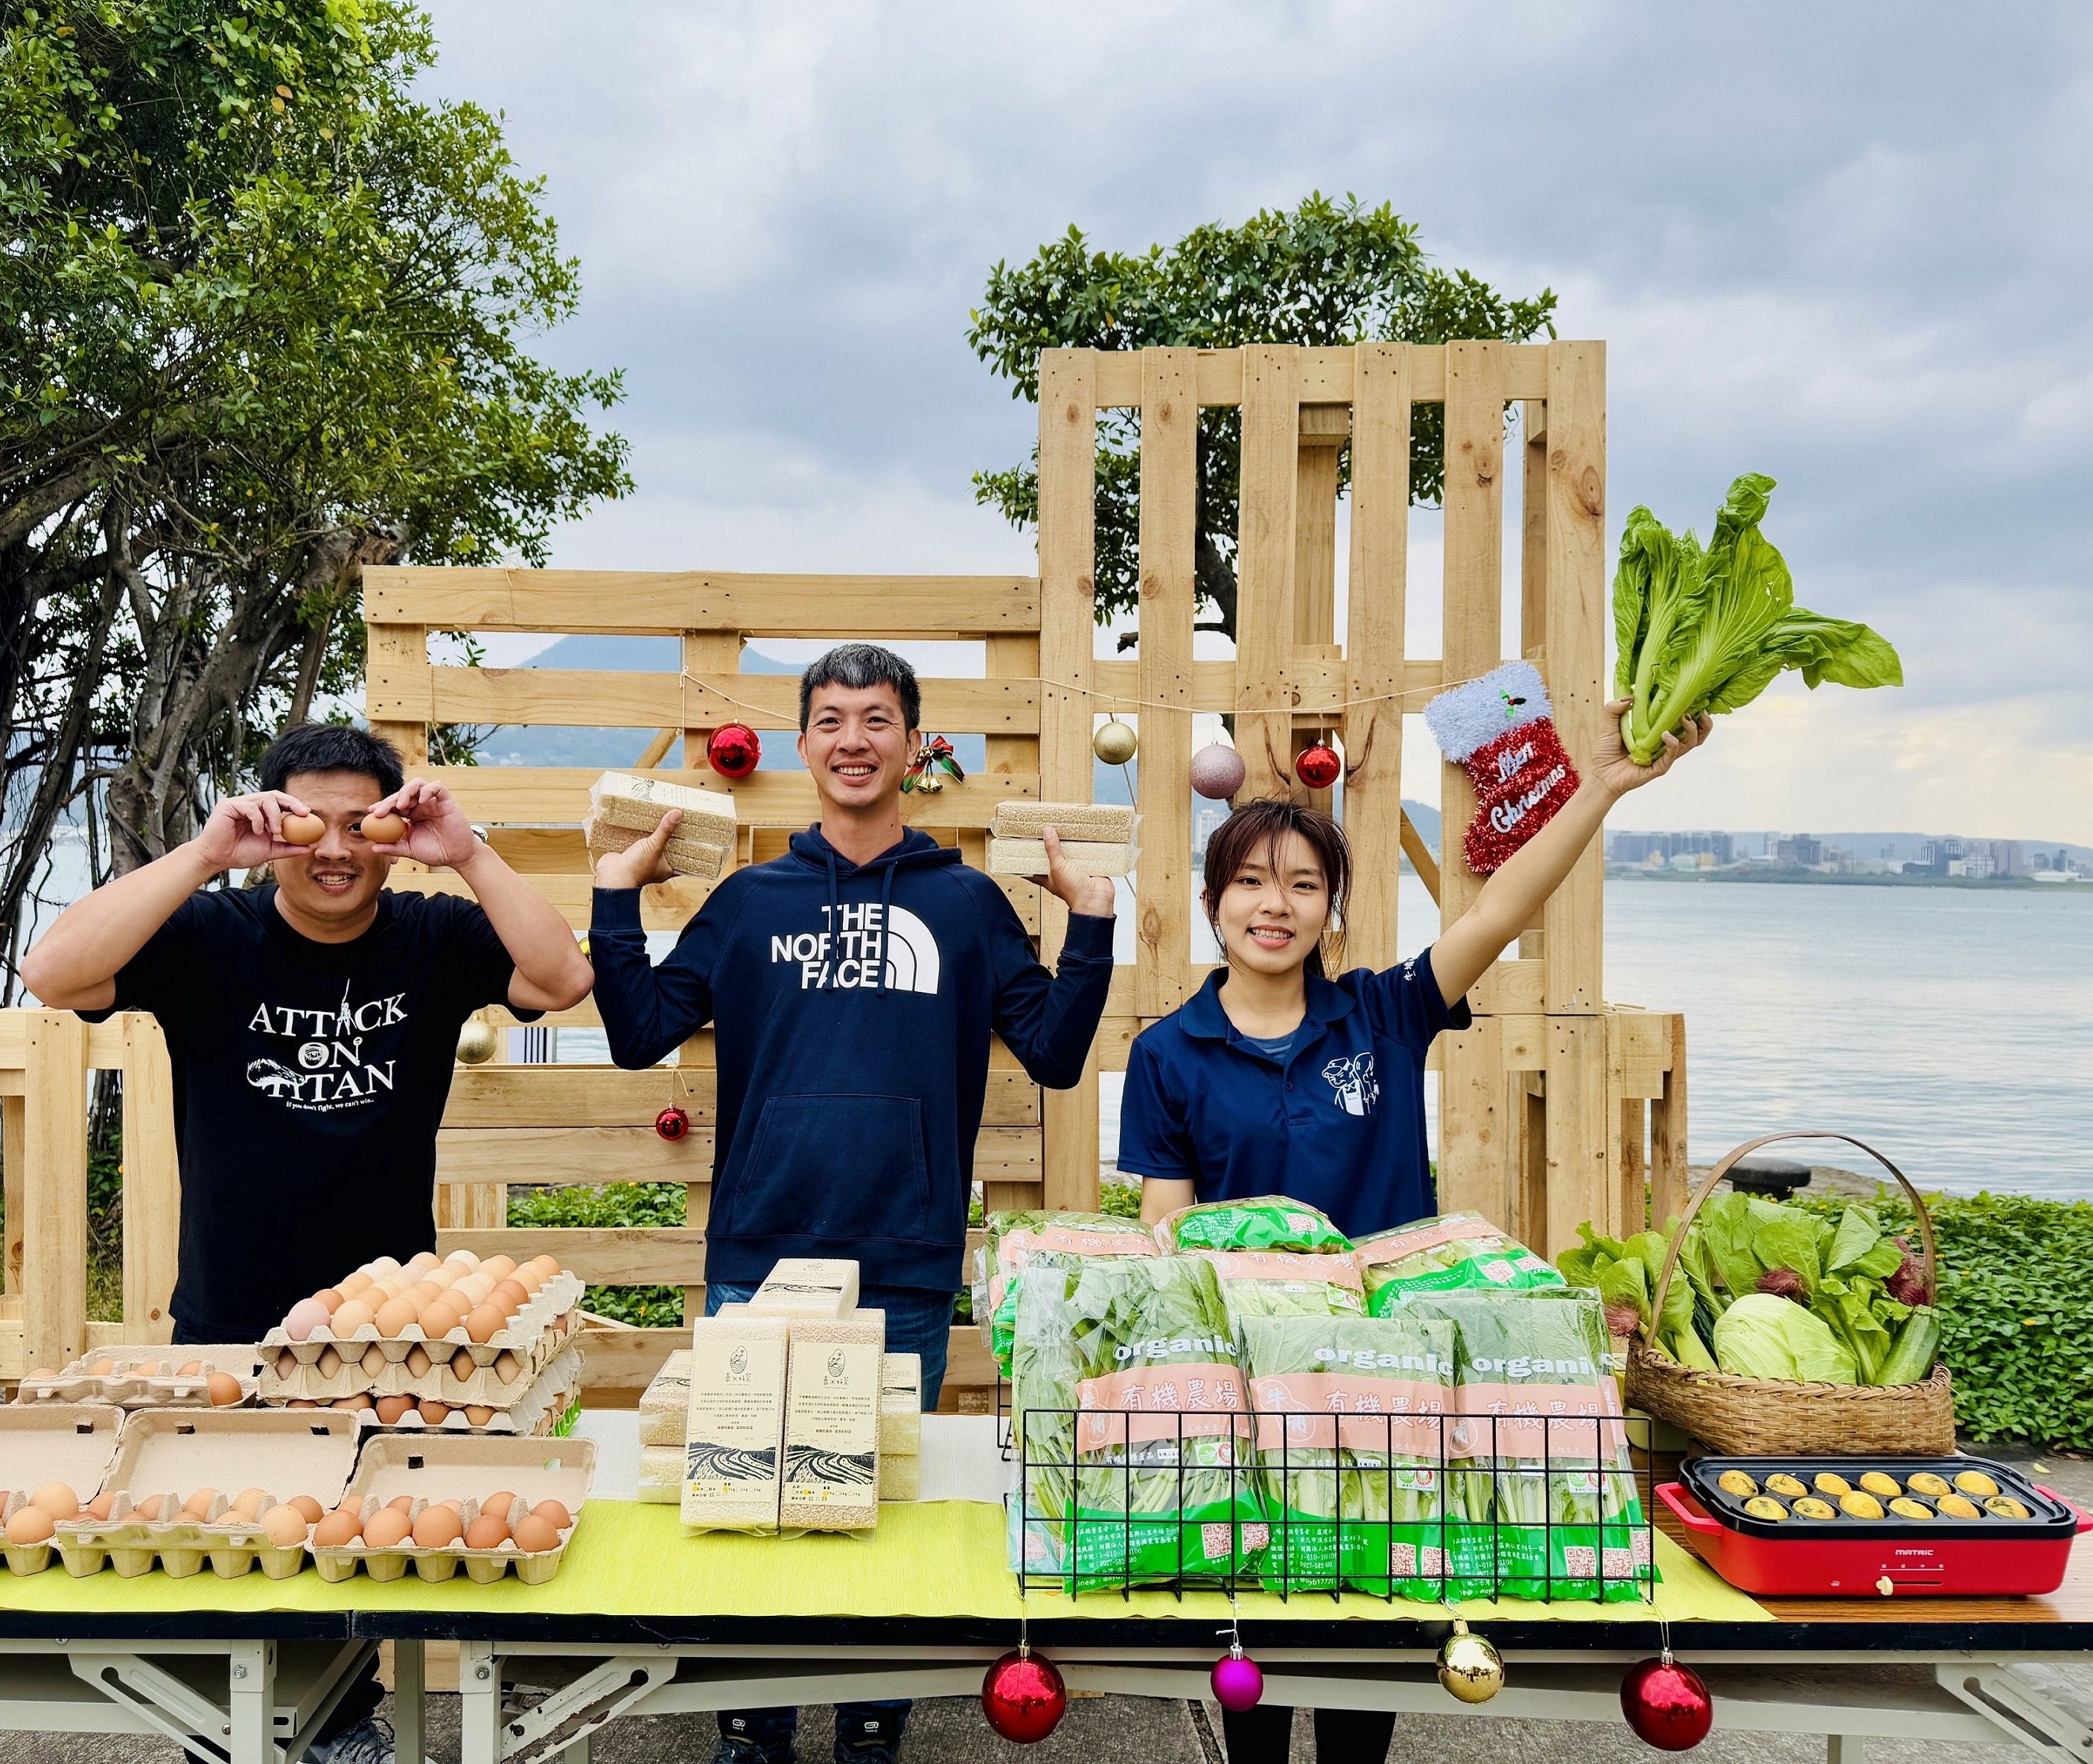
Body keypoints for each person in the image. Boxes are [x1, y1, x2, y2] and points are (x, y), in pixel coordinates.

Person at [1118, 701, 1710, 1764]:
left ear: (1329, 909)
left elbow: (1498, 911)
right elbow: (1165, 1223)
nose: (1275, 904)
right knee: (1258, 1659)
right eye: (1250, 882)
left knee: (1372, 1652)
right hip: (1257, 1390)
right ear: (1214, 904)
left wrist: (1604, 788)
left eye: (1303, 884)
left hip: (1392, 1393)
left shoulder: (1383, 1014)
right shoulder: (1172, 1051)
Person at [24, 721, 590, 1764]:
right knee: (233, 1538)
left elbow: (561, 982)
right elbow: (51, 970)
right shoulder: (208, 936)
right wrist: (201, 854)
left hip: (380, 1334)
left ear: (389, 829)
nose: (334, 849)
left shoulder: (431, 937)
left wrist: (466, 850)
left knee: (357, 1543)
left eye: (356, 823)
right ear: (270, 824)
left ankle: (344, 1718)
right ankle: (231, 1731)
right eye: (307, 823)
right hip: (230, 1308)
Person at [589, 642, 1115, 1764]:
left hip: (907, 1255)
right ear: (803, 745)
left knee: (874, 1495)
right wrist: (614, 896)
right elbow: (639, 1031)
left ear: (915, 743)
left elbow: (1060, 1054)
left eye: (878, 719)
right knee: (745, 1503)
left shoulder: (970, 904)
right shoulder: (747, 902)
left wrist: (1095, 918)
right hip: (759, 1253)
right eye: (831, 720)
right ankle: (755, 1728)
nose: (854, 739)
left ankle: (872, 1726)